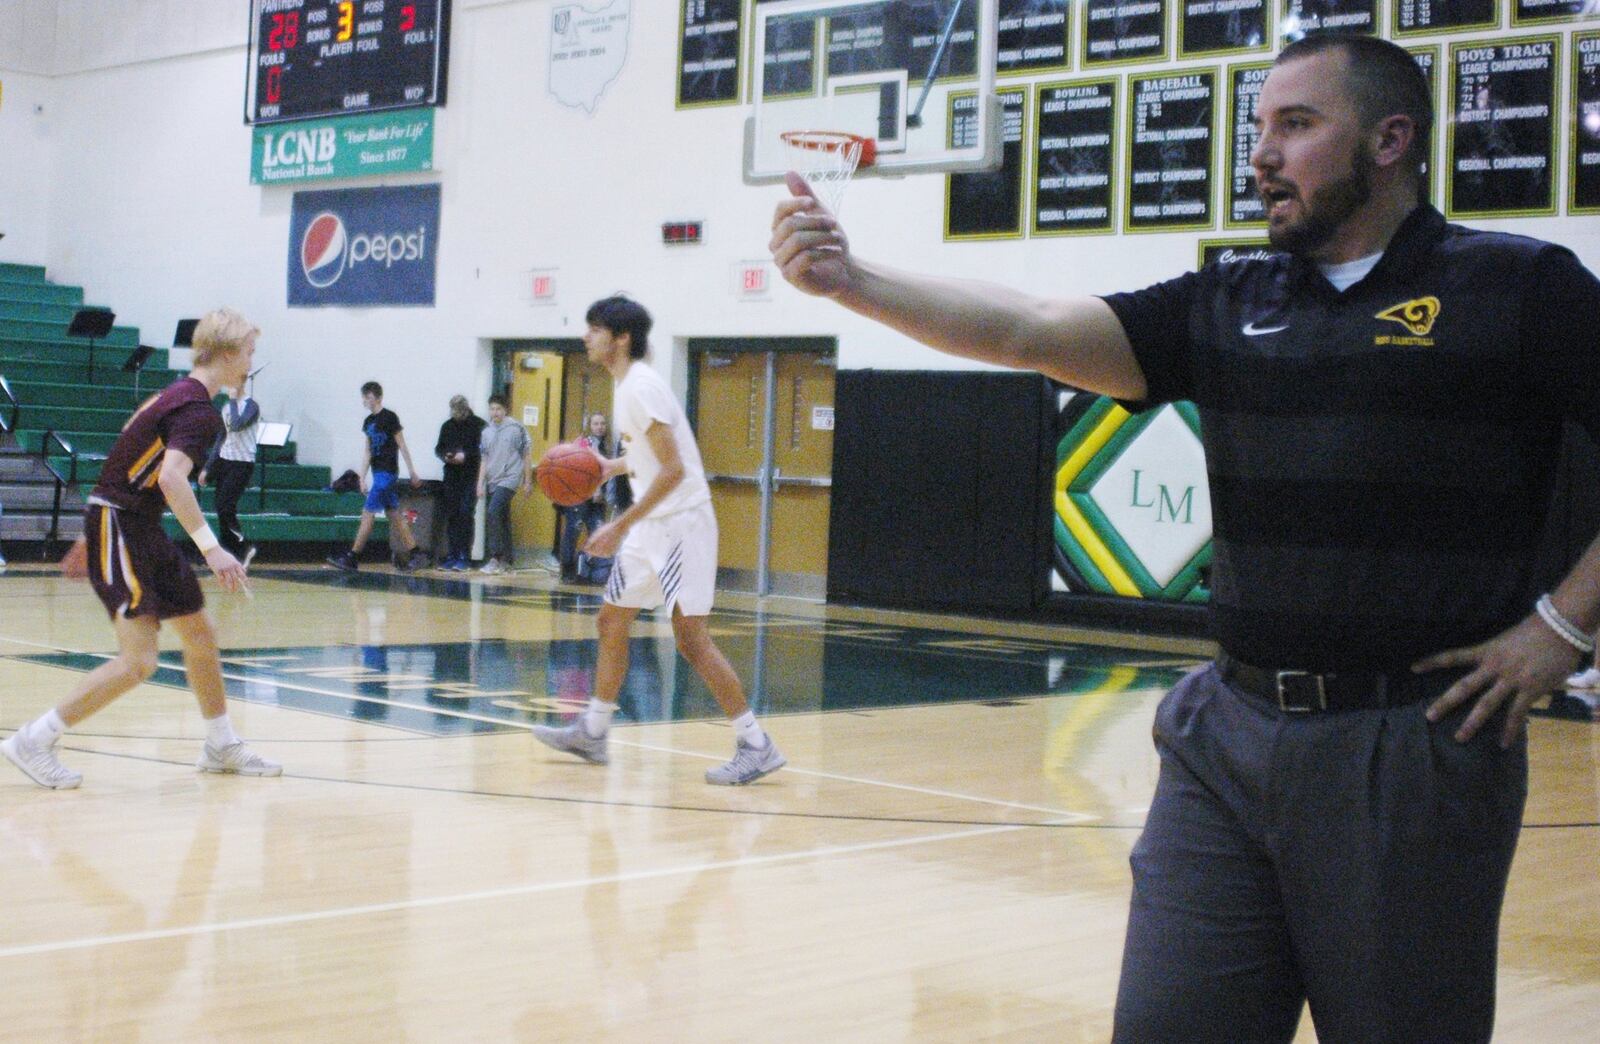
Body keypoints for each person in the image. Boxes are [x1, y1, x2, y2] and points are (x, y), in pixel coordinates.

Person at [769, 32, 1600, 1042]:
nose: (1260, 153)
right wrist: (851, 282)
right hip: (1226, 735)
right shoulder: (1232, 297)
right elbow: (1029, 326)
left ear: (1390, 140)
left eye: (1295, 125)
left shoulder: (1518, 285)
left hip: (1407, 746)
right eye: (1258, 127)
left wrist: (1563, 626)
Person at [1, 308, 280, 789]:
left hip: (134, 522)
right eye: (250, 353)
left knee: (199, 632)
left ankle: (220, 742)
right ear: (230, 352)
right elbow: (171, 477)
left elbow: (124, 451)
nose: (251, 364)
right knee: (140, 661)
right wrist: (212, 549)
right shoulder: (198, 412)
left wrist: (91, 533)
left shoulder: (174, 393)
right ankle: (34, 738)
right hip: (123, 522)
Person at [532, 296, 786, 786]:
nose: (586, 336)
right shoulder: (627, 386)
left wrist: (619, 523)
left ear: (621, 338)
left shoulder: (640, 387)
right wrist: (614, 465)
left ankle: (757, 744)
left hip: (679, 525)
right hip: (651, 528)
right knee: (612, 620)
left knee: (691, 639)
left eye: (595, 328)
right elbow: (651, 455)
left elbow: (674, 470)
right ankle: (594, 730)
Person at [327, 381, 429, 572]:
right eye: (364, 397)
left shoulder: (390, 417)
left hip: (387, 474)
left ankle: (352, 556)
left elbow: (402, 445)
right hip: (377, 473)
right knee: (394, 515)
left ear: (378, 397)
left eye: (368, 396)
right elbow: (367, 451)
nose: (365, 400)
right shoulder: (367, 422)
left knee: (368, 513)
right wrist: (362, 477)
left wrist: (412, 470)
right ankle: (416, 554)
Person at [197, 379, 261, 566]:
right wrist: (208, 467)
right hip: (225, 460)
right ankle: (228, 548)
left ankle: (242, 546)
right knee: (220, 506)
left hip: (242, 462)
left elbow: (236, 425)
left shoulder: (251, 406)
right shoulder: (226, 406)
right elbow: (221, 437)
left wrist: (233, 401)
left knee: (226, 505)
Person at [475, 393, 532, 574]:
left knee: (493, 511)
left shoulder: (517, 429)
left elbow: (527, 455)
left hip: (510, 477)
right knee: (503, 517)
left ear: (505, 409)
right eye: (492, 408)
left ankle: (495, 557)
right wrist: (479, 483)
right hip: (493, 478)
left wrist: (527, 481)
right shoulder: (486, 432)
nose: (495, 412)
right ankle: (508, 560)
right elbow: (484, 459)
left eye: (498, 408)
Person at [558, 411, 615, 583]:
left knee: (596, 531)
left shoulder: (606, 446)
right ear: (589, 426)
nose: (599, 427)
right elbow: (584, 470)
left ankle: (592, 570)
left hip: (596, 499)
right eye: (596, 424)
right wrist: (595, 488)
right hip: (579, 495)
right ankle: (567, 570)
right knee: (572, 531)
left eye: (602, 423)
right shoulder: (584, 443)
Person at [434, 394, 485, 571]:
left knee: (465, 514)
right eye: (452, 410)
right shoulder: (447, 426)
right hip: (451, 476)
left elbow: (483, 451)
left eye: (458, 410)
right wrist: (445, 456)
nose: (455, 413)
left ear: (465, 409)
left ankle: (465, 555)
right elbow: (439, 448)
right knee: (452, 515)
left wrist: (466, 456)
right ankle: (452, 554)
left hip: (471, 476)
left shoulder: (478, 425)